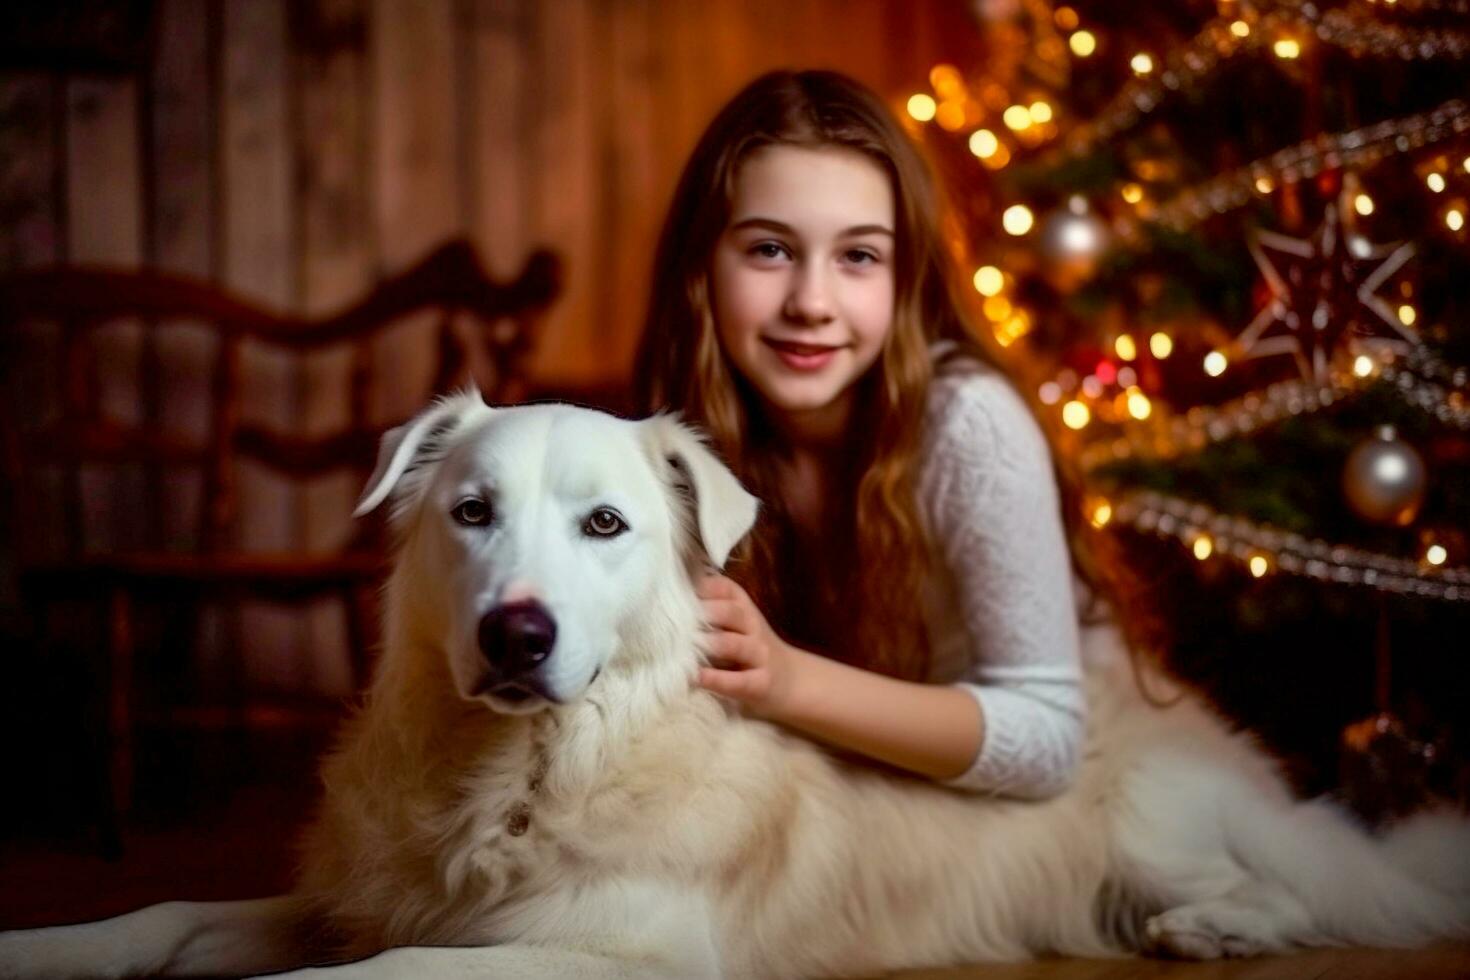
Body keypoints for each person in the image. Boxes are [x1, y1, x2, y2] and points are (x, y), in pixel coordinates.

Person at [634, 69, 1134, 799]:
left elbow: (1051, 741)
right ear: (701, 268)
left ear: (907, 280)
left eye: (858, 256)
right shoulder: (677, 431)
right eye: (770, 249)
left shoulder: (969, 425)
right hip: (850, 795)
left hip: (1072, 793)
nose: (811, 302)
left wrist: (787, 680)